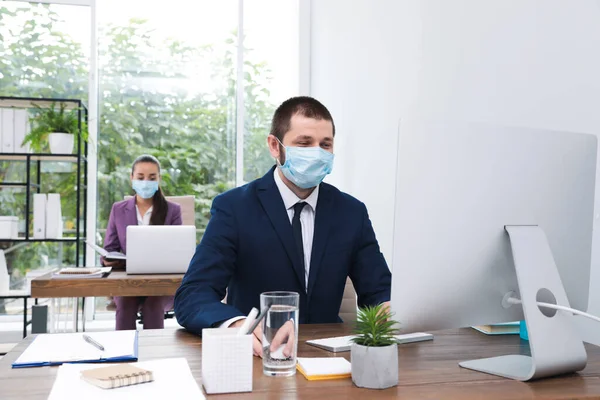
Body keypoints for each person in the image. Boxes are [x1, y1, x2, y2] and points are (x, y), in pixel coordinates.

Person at [175, 96, 391, 356]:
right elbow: (193, 295)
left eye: (325, 145)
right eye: (304, 143)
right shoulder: (234, 208)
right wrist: (238, 325)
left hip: (329, 358)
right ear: (274, 146)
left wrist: (389, 311)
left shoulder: (351, 212)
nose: (317, 153)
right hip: (260, 356)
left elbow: (378, 291)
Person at [103, 154, 182, 330]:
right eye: (140, 177)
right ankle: (123, 355)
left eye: (152, 178)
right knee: (125, 304)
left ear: (159, 179)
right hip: (128, 280)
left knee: (153, 306)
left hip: (161, 282)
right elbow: (110, 248)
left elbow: (178, 250)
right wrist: (110, 259)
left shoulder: (173, 210)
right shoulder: (118, 209)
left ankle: (153, 355)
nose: (146, 181)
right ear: (132, 178)